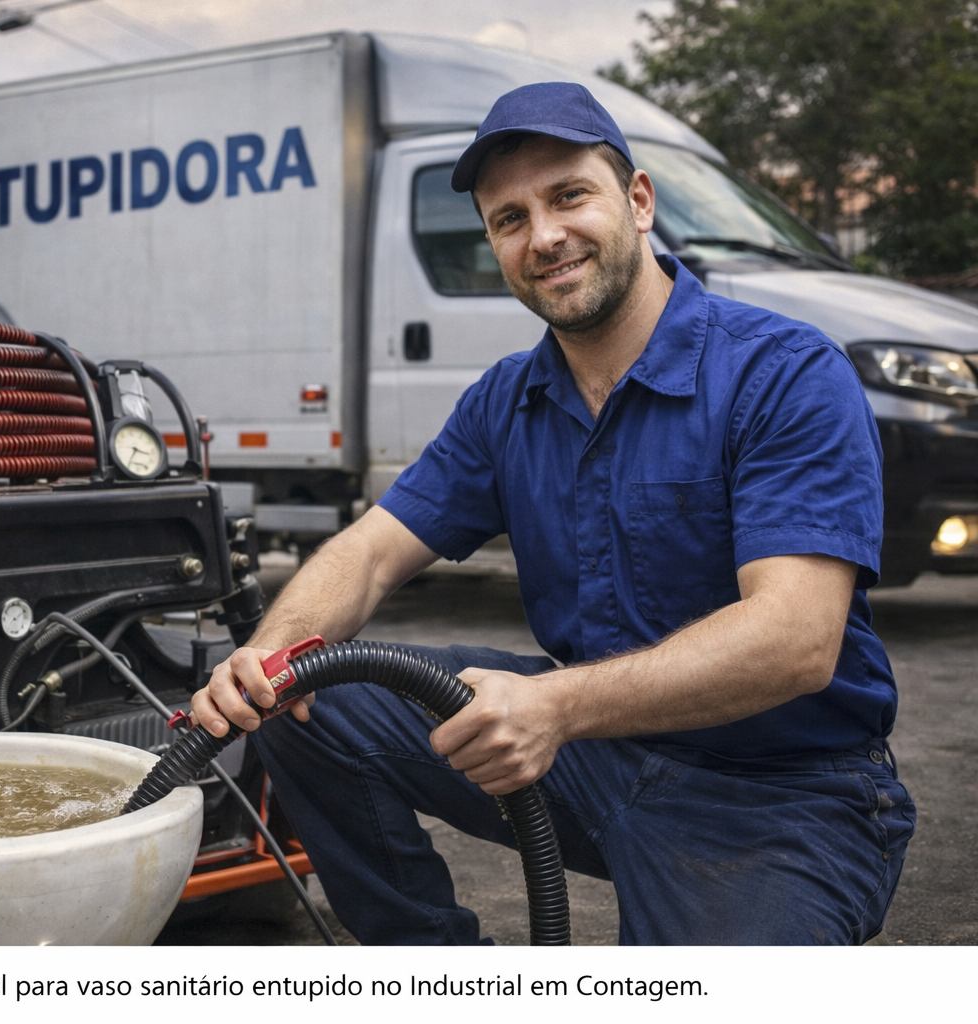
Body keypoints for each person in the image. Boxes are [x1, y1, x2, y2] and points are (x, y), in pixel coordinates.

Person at [191, 82, 915, 945]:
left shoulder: (783, 373)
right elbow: (373, 551)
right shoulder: (509, 400)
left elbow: (796, 641)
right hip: (600, 757)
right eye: (509, 219)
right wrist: (275, 653)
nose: (543, 237)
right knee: (313, 701)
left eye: (569, 196)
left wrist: (556, 708)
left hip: (781, 795)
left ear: (638, 202)